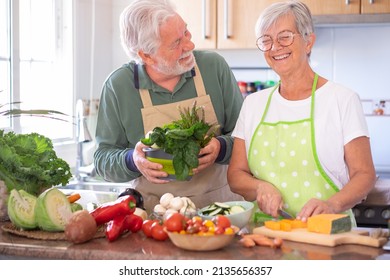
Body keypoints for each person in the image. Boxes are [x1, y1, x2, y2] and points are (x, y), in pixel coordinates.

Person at [227, 1, 376, 224]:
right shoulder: (253, 105)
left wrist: (332, 204)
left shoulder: (341, 99)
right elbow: (235, 175)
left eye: (285, 36)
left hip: (327, 236)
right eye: (266, 40)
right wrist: (260, 187)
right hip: (267, 237)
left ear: (308, 42)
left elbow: (364, 175)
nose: (275, 47)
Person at [94, 0, 244, 213]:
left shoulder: (213, 67)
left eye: (186, 32)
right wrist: (132, 160)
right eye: (176, 43)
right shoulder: (119, 86)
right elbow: (102, 159)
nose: (189, 45)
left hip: (218, 209)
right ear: (146, 55)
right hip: (154, 214)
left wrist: (221, 148)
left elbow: (247, 139)